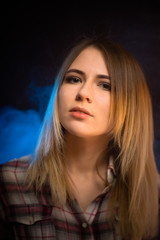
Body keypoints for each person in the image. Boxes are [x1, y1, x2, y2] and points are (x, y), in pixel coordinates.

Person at [0, 37, 159, 240]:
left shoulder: (152, 193)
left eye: (105, 85)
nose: (83, 93)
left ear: (131, 106)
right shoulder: (8, 181)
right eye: (74, 79)